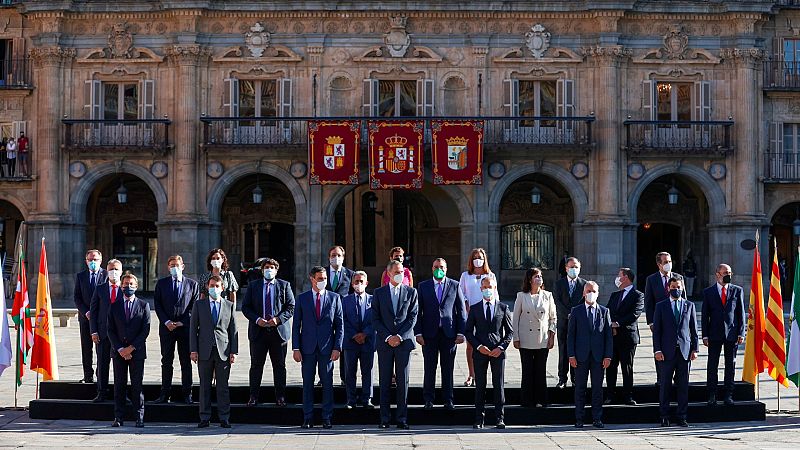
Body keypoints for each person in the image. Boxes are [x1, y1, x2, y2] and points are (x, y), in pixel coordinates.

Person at [292, 266, 344, 429]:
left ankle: (326, 417)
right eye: (320, 279)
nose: (323, 282)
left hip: (327, 348)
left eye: (325, 279)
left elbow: (340, 325)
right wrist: (296, 348)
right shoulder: (302, 298)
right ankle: (308, 417)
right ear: (312, 279)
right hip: (307, 348)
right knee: (308, 383)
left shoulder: (335, 298)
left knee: (327, 384)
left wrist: (337, 347)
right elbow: (296, 325)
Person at [241, 257, 295, 407]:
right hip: (258, 332)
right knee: (256, 365)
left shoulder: (284, 286)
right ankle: (253, 396)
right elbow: (246, 307)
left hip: (278, 332)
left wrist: (278, 320)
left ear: (276, 270)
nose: (269, 270)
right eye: (266, 267)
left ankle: (280, 397)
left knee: (279, 366)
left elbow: (290, 307)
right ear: (262, 270)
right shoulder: (253, 286)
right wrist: (257, 319)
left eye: (272, 267)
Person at [414, 258, 466, 410]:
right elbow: (418, 311)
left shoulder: (455, 285)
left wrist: (461, 332)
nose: (439, 269)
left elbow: (461, 310)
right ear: (432, 268)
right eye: (436, 267)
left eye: (441, 267)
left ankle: (448, 399)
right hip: (429, 334)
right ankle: (428, 399)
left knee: (447, 368)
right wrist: (418, 333)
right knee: (429, 368)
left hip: (448, 334)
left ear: (446, 269)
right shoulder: (423, 286)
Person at [373, 259, 418, 429]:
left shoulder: (411, 292)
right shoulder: (379, 293)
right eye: (397, 272)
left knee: (403, 381)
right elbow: (375, 319)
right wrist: (388, 337)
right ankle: (384, 418)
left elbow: (412, 317)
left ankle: (402, 418)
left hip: (403, 343)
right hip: (385, 344)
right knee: (385, 381)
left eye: (403, 273)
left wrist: (399, 336)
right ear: (389, 273)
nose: (400, 275)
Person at [190, 275, 238, 429]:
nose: (214, 289)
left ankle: (224, 417)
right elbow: (193, 330)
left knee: (222, 386)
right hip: (204, 351)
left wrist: (234, 351)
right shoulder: (199, 305)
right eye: (212, 285)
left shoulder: (229, 305)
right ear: (207, 287)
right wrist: (193, 350)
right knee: (204, 385)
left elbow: (233, 330)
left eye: (217, 286)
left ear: (222, 288)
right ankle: (204, 417)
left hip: (223, 350)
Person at [465, 276, 512, 429]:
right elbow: (468, 332)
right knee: (480, 386)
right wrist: (478, 347)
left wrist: (501, 348)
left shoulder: (503, 308)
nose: (487, 290)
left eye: (490, 287)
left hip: (497, 352)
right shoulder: (475, 308)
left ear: (495, 288)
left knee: (498, 385)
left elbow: (509, 332)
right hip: (480, 352)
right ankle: (479, 418)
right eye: (484, 287)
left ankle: (500, 418)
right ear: (480, 289)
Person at [653, 277, 699, 427]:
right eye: (673, 287)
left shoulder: (689, 305)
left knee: (683, 385)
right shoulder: (661, 306)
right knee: (665, 385)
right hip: (666, 352)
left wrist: (695, 349)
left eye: (678, 286)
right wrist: (657, 350)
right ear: (668, 288)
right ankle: (664, 415)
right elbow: (657, 331)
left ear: (682, 288)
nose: (676, 289)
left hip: (684, 352)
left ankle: (682, 415)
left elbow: (693, 329)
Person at [153, 255, 198, 404]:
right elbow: (157, 305)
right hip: (167, 328)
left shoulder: (192, 285)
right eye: (172, 265)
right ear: (168, 267)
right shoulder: (161, 284)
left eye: (177, 265)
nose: (175, 267)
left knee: (185, 361)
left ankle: (187, 393)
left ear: (183, 266)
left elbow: (194, 307)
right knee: (166, 361)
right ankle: (165, 394)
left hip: (184, 329)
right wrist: (166, 321)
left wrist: (182, 322)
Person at [107, 273, 150, 428]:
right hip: (118, 353)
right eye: (125, 284)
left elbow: (145, 330)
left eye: (131, 284)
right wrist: (120, 349)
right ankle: (118, 417)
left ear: (136, 286)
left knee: (137, 386)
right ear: (121, 286)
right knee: (119, 385)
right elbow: (110, 330)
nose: (128, 287)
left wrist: (130, 348)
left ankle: (139, 417)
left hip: (136, 352)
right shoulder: (114, 305)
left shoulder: (144, 305)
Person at [568, 281, 612, 429]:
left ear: (598, 293)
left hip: (598, 357)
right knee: (580, 388)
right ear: (583, 293)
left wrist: (608, 356)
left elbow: (608, 336)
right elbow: (570, 336)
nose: (590, 293)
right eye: (588, 291)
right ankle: (579, 418)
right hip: (580, 356)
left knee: (597, 389)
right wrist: (571, 355)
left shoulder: (605, 311)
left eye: (593, 291)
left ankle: (597, 418)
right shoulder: (576, 311)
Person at [702, 263, 745, 407]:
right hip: (714, 334)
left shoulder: (737, 291)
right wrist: (705, 335)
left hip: (731, 334)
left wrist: (741, 332)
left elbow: (740, 313)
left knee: (730, 365)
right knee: (712, 365)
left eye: (730, 273)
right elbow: (705, 315)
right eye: (725, 272)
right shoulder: (708, 292)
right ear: (718, 274)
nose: (728, 275)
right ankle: (712, 394)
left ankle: (728, 394)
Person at [513, 267, 556, 408]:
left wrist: (551, 336)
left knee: (540, 370)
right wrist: (516, 337)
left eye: (540, 276)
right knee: (527, 371)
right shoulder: (521, 296)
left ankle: (541, 400)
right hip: (525, 339)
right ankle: (526, 401)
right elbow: (515, 318)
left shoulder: (548, 295)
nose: (539, 278)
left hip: (542, 339)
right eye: (536, 276)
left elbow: (553, 318)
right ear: (530, 279)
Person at [605, 267, 644, 406]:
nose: (617, 278)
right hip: (613, 337)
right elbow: (608, 311)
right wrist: (610, 324)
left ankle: (628, 396)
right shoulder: (615, 295)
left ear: (626, 277)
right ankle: (610, 395)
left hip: (628, 337)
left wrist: (617, 323)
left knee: (627, 367)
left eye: (619, 275)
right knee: (611, 367)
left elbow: (635, 314)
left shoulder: (638, 295)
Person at [643, 252, 683, 386]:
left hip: (677, 318)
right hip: (659, 320)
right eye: (665, 262)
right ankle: (661, 377)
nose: (668, 264)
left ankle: (678, 377)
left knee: (678, 347)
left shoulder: (679, 278)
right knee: (660, 348)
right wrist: (651, 321)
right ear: (659, 264)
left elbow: (685, 301)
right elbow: (648, 302)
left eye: (670, 261)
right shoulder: (652, 279)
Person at [458, 248, 496, 387]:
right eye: (475, 257)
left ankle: (484, 375)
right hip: (470, 314)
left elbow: (495, 295)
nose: (477, 260)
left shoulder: (490, 275)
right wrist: (466, 303)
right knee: (471, 346)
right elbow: (461, 293)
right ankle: (471, 374)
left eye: (480, 257)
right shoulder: (465, 276)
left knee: (486, 344)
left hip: (485, 314)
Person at [89, 259, 122, 402]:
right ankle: (102, 392)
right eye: (110, 269)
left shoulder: (126, 287)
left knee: (120, 365)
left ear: (121, 271)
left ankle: (121, 393)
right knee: (102, 363)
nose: (113, 272)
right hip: (103, 333)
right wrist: (93, 331)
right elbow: (94, 311)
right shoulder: (100, 288)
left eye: (116, 269)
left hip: (121, 334)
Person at [341, 271, 376, 409]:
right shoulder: (345, 300)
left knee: (368, 371)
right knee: (350, 372)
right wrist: (354, 335)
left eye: (361, 282)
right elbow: (342, 320)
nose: (359, 284)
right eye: (356, 282)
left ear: (366, 283)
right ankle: (351, 399)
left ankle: (367, 398)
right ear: (352, 283)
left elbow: (376, 320)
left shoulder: (373, 300)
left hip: (368, 341)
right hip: (351, 342)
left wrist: (365, 334)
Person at [74, 249, 108, 384]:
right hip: (85, 318)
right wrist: (86, 312)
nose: (93, 262)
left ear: (101, 261)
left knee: (102, 349)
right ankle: (88, 375)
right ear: (86, 261)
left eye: (95, 260)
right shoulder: (81, 276)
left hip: (101, 319)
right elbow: (77, 297)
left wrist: (98, 313)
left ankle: (101, 376)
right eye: (90, 260)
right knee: (86, 348)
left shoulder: (106, 275)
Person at [553, 256, 586, 388]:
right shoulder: (559, 284)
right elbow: (557, 302)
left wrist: (575, 315)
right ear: (566, 268)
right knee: (563, 350)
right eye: (571, 267)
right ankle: (562, 378)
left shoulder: (584, 284)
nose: (574, 269)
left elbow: (585, 302)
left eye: (576, 267)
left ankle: (575, 378)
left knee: (576, 351)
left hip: (578, 324)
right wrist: (568, 314)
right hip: (563, 323)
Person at [327, 245, 354, 386]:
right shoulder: (323, 273)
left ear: (343, 258)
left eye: (338, 255)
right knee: (326, 348)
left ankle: (344, 378)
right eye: (332, 255)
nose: (335, 258)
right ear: (329, 257)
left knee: (343, 347)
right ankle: (325, 376)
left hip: (344, 317)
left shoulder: (350, 274)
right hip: (326, 317)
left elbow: (352, 295)